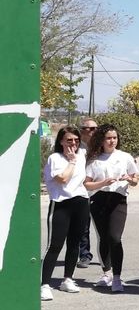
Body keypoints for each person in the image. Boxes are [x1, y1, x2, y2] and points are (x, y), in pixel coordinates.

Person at [84, 124, 138, 293]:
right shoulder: (94, 159)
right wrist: (103, 183)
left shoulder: (125, 157)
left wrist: (129, 179)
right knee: (104, 237)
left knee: (115, 237)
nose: (112, 141)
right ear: (101, 140)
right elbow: (87, 184)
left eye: (114, 137)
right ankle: (106, 272)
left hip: (118, 199)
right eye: (108, 138)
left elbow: (135, 180)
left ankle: (117, 277)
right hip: (99, 199)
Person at [41, 127, 91, 300]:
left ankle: (67, 279)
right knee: (55, 245)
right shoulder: (55, 158)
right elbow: (62, 179)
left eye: (76, 140)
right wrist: (71, 161)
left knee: (74, 244)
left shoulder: (81, 157)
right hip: (61, 204)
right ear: (61, 141)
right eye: (69, 140)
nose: (73, 143)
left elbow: (82, 182)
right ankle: (44, 284)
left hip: (81, 202)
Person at [76, 117, 98, 267]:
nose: (92, 131)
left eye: (95, 128)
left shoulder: (101, 147)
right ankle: (84, 255)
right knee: (83, 226)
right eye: (88, 128)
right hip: (81, 192)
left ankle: (107, 255)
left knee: (104, 227)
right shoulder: (76, 148)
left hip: (99, 191)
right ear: (82, 131)